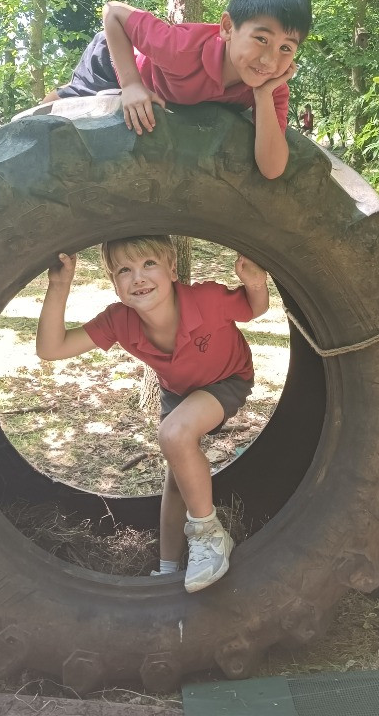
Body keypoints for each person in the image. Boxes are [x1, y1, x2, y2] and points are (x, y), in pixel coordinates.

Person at [36, 234, 269, 593]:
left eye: (149, 264)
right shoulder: (119, 320)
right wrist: (60, 285)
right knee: (178, 473)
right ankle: (167, 567)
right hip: (178, 391)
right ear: (115, 285)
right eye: (124, 271)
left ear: (173, 269)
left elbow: (255, 309)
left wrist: (254, 282)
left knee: (175, 435)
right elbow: (52, 348)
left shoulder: (206, 300)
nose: (138, 278)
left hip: (227, 379)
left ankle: (209, 536)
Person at [42, 0, 313, 179]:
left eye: (286, 48)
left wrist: (263, 95)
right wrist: (131, 84)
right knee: (60, 113)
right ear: (228, 27)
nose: (270, 60)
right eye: (262, 39)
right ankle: (52, 97)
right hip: (118, 60)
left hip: (177, 92)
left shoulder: (271, 85)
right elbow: (113, 12)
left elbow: (272, 169)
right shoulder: (179, 50)